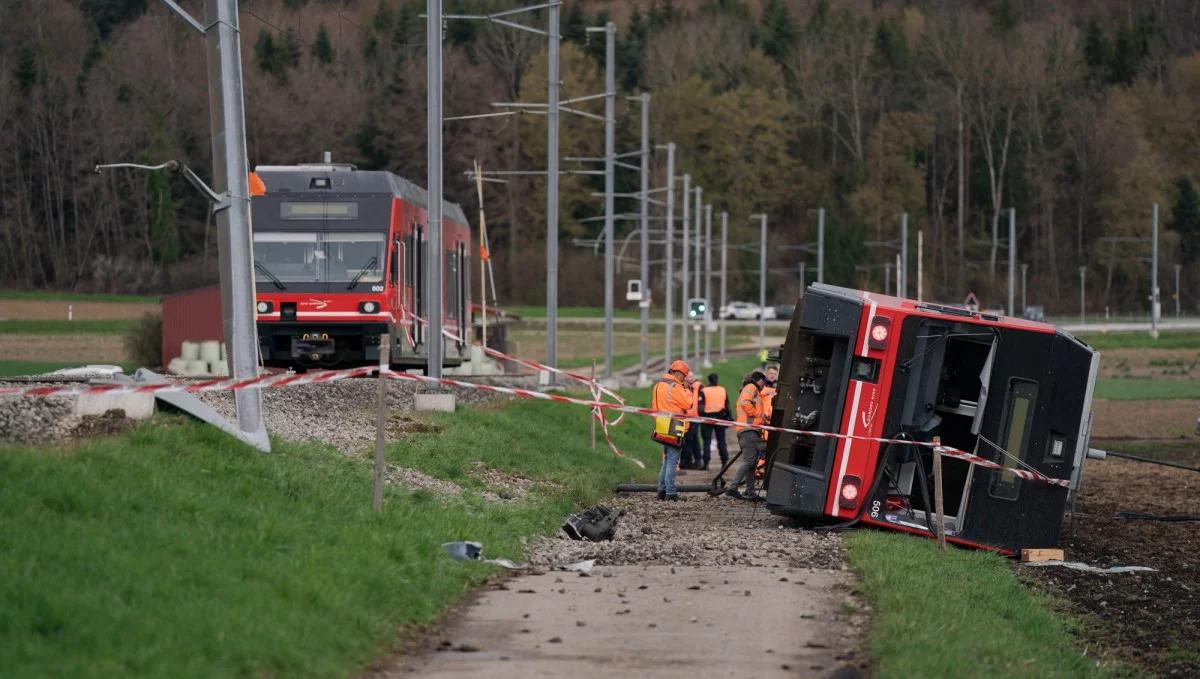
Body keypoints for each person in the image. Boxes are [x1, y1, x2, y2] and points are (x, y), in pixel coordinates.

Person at [652, 360, 695, 501]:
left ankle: (661, 490)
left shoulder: (658, 385)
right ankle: (670, 492)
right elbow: (688, 403)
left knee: (666, 460)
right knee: (672, 461)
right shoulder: (676, 386)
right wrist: (687, 390)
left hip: (662, 424)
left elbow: (654, 406)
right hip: (674, 425)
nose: (685, 378)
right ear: (677, 373)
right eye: (684, 375)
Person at [724, 370, 768, 500]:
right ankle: (732, 488)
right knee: (749, 461)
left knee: (752, 462)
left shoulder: (752, 389)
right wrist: (756, 414)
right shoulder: (751, 387)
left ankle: (751, 492)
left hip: (749, 429)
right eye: (763, 382)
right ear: (759, 380)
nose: (763, 385)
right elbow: (745, 403)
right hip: (748, 430)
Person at [699, 373, 730, 470]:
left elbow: (700, 407)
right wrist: (729, 417)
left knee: (707, 441)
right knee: (721, 440)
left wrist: (701, 416)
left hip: (707, 418)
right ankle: (724, 462)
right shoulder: (723, 390)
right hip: (720, 417)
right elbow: (727, 405)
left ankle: (706, 463)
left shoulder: (703, 391)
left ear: (708, 381)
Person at [679, 372, 703, 469]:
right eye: (689, 377)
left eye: (692, 377)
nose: (691, 378)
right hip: (686, 417)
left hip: (694, 418)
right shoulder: (684, 387)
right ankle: (690, 461)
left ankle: (689, 461)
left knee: (691, 440)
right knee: (690, 440)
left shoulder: (697, 387)